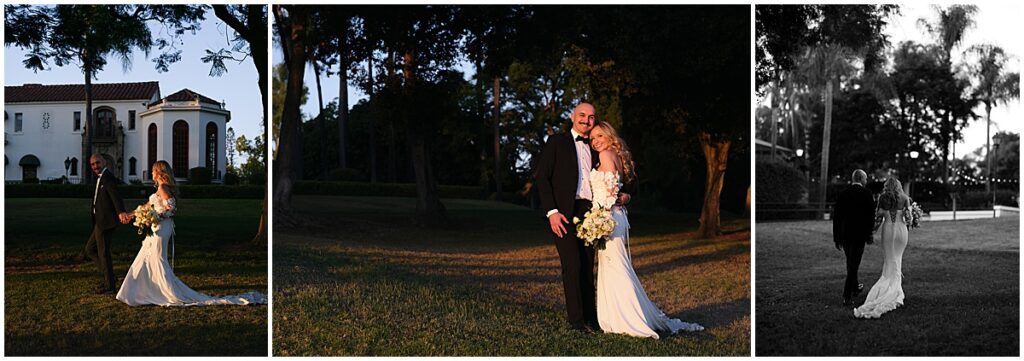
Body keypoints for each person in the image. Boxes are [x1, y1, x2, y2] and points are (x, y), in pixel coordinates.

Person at [589, 121, 703, 338]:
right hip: (614, 216)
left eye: (599, 137)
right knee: (616, 266)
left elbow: (611, 192)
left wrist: (598, 218)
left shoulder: (605, 155)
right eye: (592, 138)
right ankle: (620, 315)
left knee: (616, 267)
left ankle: (628, 318)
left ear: (609, 136)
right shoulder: (615, 154)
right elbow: (619, 190)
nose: (595, 142)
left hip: (608, 217)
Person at [116, 161, 266, 306]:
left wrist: (155, 218)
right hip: (157, 227)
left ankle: (162, 291)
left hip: (162, 227)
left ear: (159, 172)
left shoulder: (163, 188)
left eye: (154, 170)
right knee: (147, 256)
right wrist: (131, 215)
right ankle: (144, 290)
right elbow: (146, 206)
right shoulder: (161, 189)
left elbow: (172, 209)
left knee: (157, 258)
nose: (152, 173)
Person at [535, 102, 628, 332]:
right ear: (572, 116)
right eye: (582, 115)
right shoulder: (557, 142)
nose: (586, 120)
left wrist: (625, 195)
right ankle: (576, 322)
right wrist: (552, 212)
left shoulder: (598, 147)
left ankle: (591, 320)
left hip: (591, 213)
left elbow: (618, 175)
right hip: (563, 213)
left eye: (591, 117)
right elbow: (542, 178)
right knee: (572, 265)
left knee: (588, 267)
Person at [853, 177, 908, 318]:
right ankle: (896, 289)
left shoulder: (883, 198)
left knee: (890, 259)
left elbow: (877, 218)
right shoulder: (905, 198)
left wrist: (872, 231)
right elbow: (909, 219)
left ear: (886, 186)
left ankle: (888, 288)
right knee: (898, 258)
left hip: (888, 230)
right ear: (899, 185)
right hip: (902, 231)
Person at [86, 154, 131, 294]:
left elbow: (115, 196)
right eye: (92, 164)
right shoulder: (99, 178)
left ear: (104, 162)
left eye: (97, 163)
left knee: (103, 253)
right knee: (90, 249)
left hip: (106, 221)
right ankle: (109, 277)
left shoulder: (108, 178)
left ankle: (109, 285)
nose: (95, 166)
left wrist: (121, 211)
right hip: (99, 221)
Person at [832, 169, 875, 306]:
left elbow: (837, 217)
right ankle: (847, 295)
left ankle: (855, 287)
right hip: (859, 234)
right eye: (866, 178)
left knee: (851, 262)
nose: (866, 181)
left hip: (845, 234)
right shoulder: (867, 194)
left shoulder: (843, 194)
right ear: (861, 179)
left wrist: (836, 236)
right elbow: (870, 217)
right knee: (853, 265)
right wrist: (869, 234)